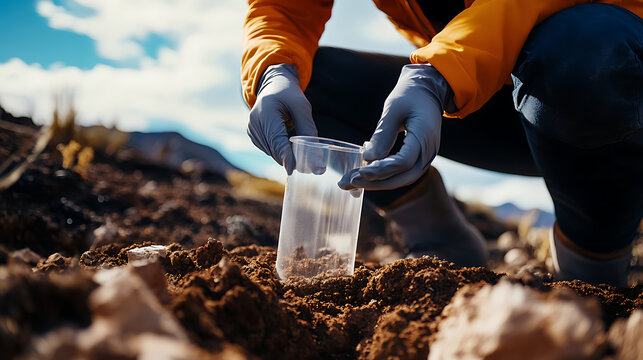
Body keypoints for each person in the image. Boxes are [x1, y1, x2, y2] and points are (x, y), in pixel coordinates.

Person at [241, 0, 643, 287]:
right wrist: (273, 70)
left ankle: (593, 261)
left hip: (606, 87)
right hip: (483, 86)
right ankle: (439, 240)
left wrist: (439, 74)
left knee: (585, 49)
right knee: (316, 85)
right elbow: (287, 9)